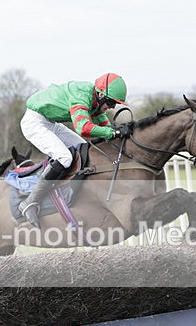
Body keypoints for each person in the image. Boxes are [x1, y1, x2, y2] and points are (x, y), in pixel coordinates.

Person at [18, 72, 128, 227]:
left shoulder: (96, 101)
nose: (111, 107)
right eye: (110, 103)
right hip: (34, 122)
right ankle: (30, 202)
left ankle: (72, 191)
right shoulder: (81, 95)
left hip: (51, 123)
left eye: (114, 104)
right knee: (65, 158)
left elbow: (105, 127)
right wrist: (113, 132)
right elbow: (83, 128)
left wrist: (119, 132)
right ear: (101, 94)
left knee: (83, 149)